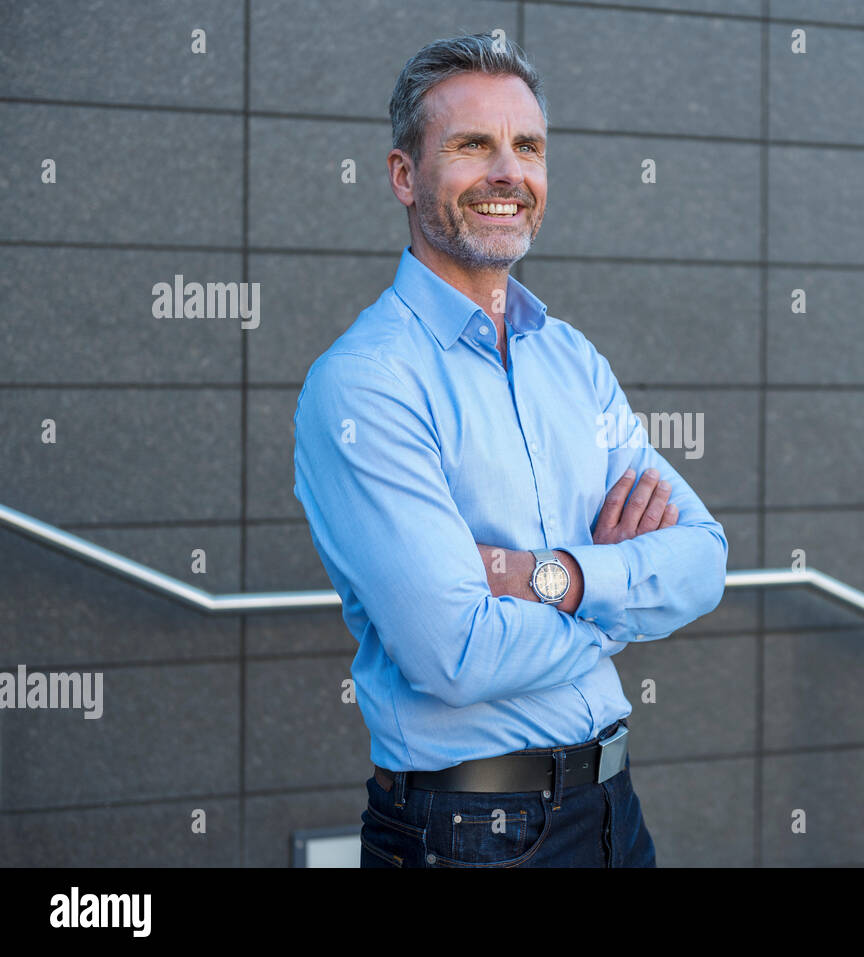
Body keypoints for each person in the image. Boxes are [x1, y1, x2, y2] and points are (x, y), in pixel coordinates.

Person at [292, 33, 728, 867]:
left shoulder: (571, 358)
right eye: (471, 145)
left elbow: (704, 560)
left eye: (527, 147)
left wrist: (544, 576)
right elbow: (453, 653)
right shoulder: (365, 384)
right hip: (468, 835)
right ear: (403, 176)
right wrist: (621, 597)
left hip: (613, 812)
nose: (508, 173)